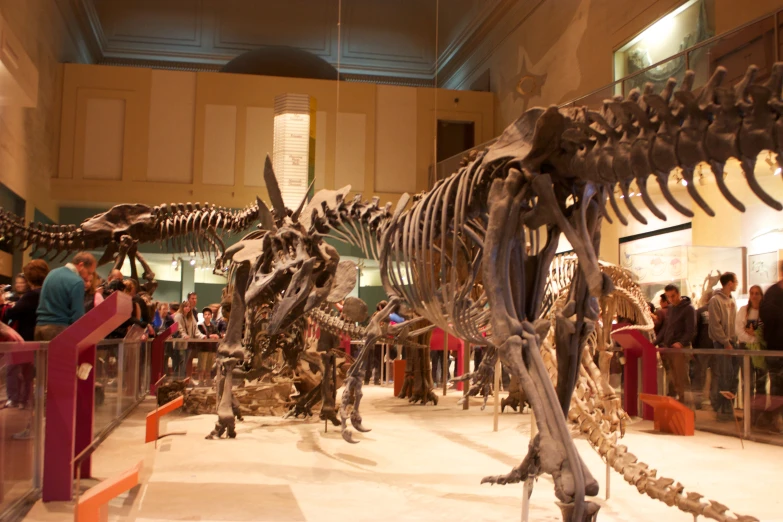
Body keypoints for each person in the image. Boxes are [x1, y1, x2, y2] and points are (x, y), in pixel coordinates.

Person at [4, 260, 48, 409]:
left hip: (24, 338)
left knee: (14, 369)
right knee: (28, 371)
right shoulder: (46, 293)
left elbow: (12, 313)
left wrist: (8, 307)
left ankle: (16, 399)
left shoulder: (31, 296)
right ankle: (24, 399)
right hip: (36, 336)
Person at [35, 252, 96, 341]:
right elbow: (77, 315)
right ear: (81, 265)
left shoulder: (52, 273)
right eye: (89, 272)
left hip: (39, 327)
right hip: (58, 329)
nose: (88, 276)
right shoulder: (77, 281)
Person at [654, 284, 695, 404]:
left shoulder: (689, 309)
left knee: (683, 381)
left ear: (678, 294)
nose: (671, 299)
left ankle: (689, 411)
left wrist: (681, 343)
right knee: (674, 382)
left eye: (673, 296)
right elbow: (666, 328)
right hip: (670, 349)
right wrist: (654, 343)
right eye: (668, 297)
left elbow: (691, 330)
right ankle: (681, 411)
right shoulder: (671, 309)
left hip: (680, 350)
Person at [708, 272, 738, 421]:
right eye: (735, 281)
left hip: (732, 342)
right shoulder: (715, 300)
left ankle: (728, 408)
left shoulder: (732, 300)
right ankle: (721, 409)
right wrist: (726, 342)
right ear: (730, 283)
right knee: (724, 376)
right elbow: (715, 325)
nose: (737, 283)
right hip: (721, 343)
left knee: (732, 376)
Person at [760, 261, 783, 431]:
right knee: (776, 386)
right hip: (775, 349)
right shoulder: (772, 294)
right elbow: (768, 319)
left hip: (775, 347)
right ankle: (775, 419)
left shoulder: (771, 294)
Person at [737, 285, 766, 396]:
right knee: (748, 382)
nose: (754, 296)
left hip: (761, 350)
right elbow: (739, 330)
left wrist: (754, 334)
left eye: (756, 293)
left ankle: (760, 411)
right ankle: (748, 411)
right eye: (752, 293)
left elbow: (765, 332)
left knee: (761, 382)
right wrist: (753, 339)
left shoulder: (764, 312)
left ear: (761, 296)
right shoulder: (743, 310)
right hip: (745, 348)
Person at [173, 300, 205, 379]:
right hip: (180, 344)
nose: (187, 308)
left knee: (185, 362)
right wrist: (184, 336)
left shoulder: (191, 317)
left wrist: (202, 336)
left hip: (189, 344)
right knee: (180, 362)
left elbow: (195, 329)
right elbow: (179, 328)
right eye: (186, 306)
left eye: (189, 307)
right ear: (182, 307)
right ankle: (178, 379)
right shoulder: (178, 316)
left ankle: (183, 380)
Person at [197, 307, 220, 385]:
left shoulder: (213, 326)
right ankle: (200, 381)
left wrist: (217, 335)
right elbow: (201, 334)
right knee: (202, 366)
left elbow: (218, 334)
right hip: (203, 349)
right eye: (205, 314)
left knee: (209, 367)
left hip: (212, 349)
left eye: (208, 314)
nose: (207, 316)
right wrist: (210, 336)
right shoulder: (200, 325)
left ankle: (208, 380)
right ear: (203, 316)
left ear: (211, 316)